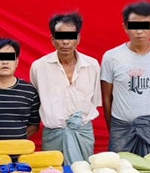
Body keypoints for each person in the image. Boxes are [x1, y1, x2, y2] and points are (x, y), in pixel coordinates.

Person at [100, 0, 150, 155]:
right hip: (121, 128)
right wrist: (114, 129)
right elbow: (107, 97)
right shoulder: (111, 57)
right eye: (134, 25)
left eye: (145, 25)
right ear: (125, 27)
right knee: (120, 168)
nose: (139, 31)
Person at [30, 12, 101, 164]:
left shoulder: (92, 65)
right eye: (60, 37)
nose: (65, 42)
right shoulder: (39, 67)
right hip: (54, 135)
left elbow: (95, 100)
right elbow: (35, 102)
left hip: (82, 133)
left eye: (70, 37)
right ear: (52, 39)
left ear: (78, 39)